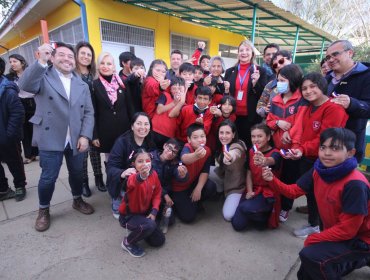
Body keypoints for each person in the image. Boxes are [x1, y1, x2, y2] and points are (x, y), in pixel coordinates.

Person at [262, 127, 370, 280]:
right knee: (304, 273)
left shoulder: (355, 184)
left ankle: (363, 257)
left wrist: (313, 238)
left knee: (312, 256)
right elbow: (293, 191)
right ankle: (358, 260)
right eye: (323, 147)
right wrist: (272, 180)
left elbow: (347, 231)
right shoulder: (319, 169)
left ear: (350, 153)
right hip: (340, 232)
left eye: (335, 148)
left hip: (361, 239)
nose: (327, 153)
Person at [18, 42, 95, 232]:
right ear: (52, 57)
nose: (66, 59)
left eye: (70, 56)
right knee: (48, 177)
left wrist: (85, 135)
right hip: (50, 136)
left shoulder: (81, 84)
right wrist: (40, 61)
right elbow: (24, 86)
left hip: (75, 138)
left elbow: (89, 113)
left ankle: (77, 199)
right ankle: (43, 210)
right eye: (61, 55)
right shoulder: (43, 76)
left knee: (77, 174)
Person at [283, 72, 348, 237]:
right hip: (307, 156)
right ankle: (315, 223)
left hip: (323, 160)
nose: (308, 91)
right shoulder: (308, 106)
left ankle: (317, 226)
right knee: (311, 193)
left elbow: (325, 139)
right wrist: (297, 147)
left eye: (313, 86)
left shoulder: (334, 109)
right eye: (304, 88)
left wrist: (302, 149)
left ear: (322, 86)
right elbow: (301, 131)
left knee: (320, 194)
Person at [265, 64, 304, 222]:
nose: (279, 83)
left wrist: (291, 134)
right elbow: (269, 120)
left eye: (282, 80)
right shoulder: (275, 99)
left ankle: (286, 207)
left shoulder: (301, 100)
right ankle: (276, 203)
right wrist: (278, 123)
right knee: (276, 176)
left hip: (293, 148)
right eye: (278, 79)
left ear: (293, 81)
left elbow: (301, 123)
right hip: (277, 146)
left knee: (290, 178)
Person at [325, 39, 370, 162]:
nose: (330, 59)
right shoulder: (327, 78)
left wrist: (352, 103)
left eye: (335, 54)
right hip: (324, 142)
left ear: (350, 53)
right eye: (328, 57)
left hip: (348, 147)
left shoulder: (366, 76)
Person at [231, 123, 281, 231]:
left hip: (268, 193)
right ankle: (255, 212)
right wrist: (249, 191)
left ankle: (264, 215)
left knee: (245, 208)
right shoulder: (251, 151)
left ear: (268, 137)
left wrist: (265, 161)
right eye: (253, 136)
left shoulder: (276, 153)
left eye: (260, 136)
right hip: (254, 189)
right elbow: (249, 172)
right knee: (237, 225)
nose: (256, 139)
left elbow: (272, 160)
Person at [106, 112, 157, 219]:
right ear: (132, 126)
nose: (143, 127)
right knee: (122, 212)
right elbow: (110, 167)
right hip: (124, 180)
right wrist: (123, 173)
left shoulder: (150, 138)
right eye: (139, 123)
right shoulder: (122, 142)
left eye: (146, 124)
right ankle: (118, 200)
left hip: (142, 177)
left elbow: (155, 154)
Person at [118, 149, 165, 258]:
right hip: (128, 216)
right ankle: (127, 242)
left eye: (147, 160)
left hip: (144, 212)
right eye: (140, 161)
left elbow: (157, 193)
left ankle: (143, 229)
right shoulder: (132, 176)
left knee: (159, 241)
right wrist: (142, 176)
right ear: (133, 164)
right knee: (150, 225)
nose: (144, 164)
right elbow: (133, 182)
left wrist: (154, 211)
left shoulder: (154, 174)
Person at [74, 42, 105, 197]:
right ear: (76, 55)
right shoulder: (72, 74)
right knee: (82, 152)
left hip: (94, 116)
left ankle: (99, 179)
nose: (86, 57)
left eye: (89, 54)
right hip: (78, 118)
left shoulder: (95, 74)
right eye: (83, 53)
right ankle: (84, 182)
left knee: (95, 151)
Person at [225, 40, 267, 147]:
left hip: (251, 117)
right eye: (241, 50)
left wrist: (255, 84)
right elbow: (225, 94)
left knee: (249, 145)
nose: (244, 53)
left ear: (252, 53)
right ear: (238, 53)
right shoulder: (230, 71)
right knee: (234, 144)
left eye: (247, 50)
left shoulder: (260, 71)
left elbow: (263, 95)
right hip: (233, 115)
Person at [172, 123, 217, 223]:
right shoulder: (187, 147)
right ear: (189, 139)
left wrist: (198, 188)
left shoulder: (207, 151)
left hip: (193, 182)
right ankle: (181, 204)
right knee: (188, 217)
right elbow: (185, 158)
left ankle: (195, 201)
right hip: (179, 188)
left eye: (202, 136)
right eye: (195, 137)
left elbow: (205, 171)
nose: (200, 140)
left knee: (211, 187)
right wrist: (196, 155)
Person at [92, 52, 130, 162]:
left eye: (109, 64)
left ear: (113, 67)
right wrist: (94, 135)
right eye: (102, 63)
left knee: (126, 159)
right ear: (98, 66)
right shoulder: (94, 85)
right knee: (110, 160)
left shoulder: (122, 83)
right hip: (106, 130)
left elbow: (129, 106)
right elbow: (93, 112)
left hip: (124, 129)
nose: (105, 66)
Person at [0, 57, 27, 202]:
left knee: (15, 163)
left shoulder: (7, 90)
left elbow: (18, 113)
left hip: (8, 138)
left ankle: (20, 186)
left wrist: (8, 135)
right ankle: (3, 189)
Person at [6, 54, 38, 165]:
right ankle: (29, 155)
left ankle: (38, 153)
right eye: (10, 62)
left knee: (35, 129)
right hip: (19, 104)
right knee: (24, 131)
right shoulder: (9, 77)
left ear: (22, 62)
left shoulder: (30, 73)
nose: (12, 64)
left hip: (33, 103)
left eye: (15, 61)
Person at [213, 120, 247, 221]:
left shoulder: (238, 145)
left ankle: (239, 199)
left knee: (228, 216)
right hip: (224, 176)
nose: (223, 136)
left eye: (227, 133)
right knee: (205, 172)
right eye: (221, 132)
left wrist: (230, 157)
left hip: (236, 186)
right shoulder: (222, 145)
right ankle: (220, 190)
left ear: (233, 134)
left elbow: (236, 152)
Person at [256, 50, 293, 118]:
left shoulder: (300, 81)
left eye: (281, 61)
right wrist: (265, 110)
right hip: (273, 123)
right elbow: (260, 106)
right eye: (275, 65)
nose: (278, 65)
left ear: (290, 60)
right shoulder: (270, 85)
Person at [152, 77, 186, 148]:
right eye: (174, 88)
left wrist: (180, 103)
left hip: (169, 135)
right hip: (155, 130)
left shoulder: (184, 104)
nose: (177, 91)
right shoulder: (165, 95)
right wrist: (174, 103)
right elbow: (159, 110)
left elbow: (172, 115)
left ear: (184, 90)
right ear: (170, 89)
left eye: (180, 89)